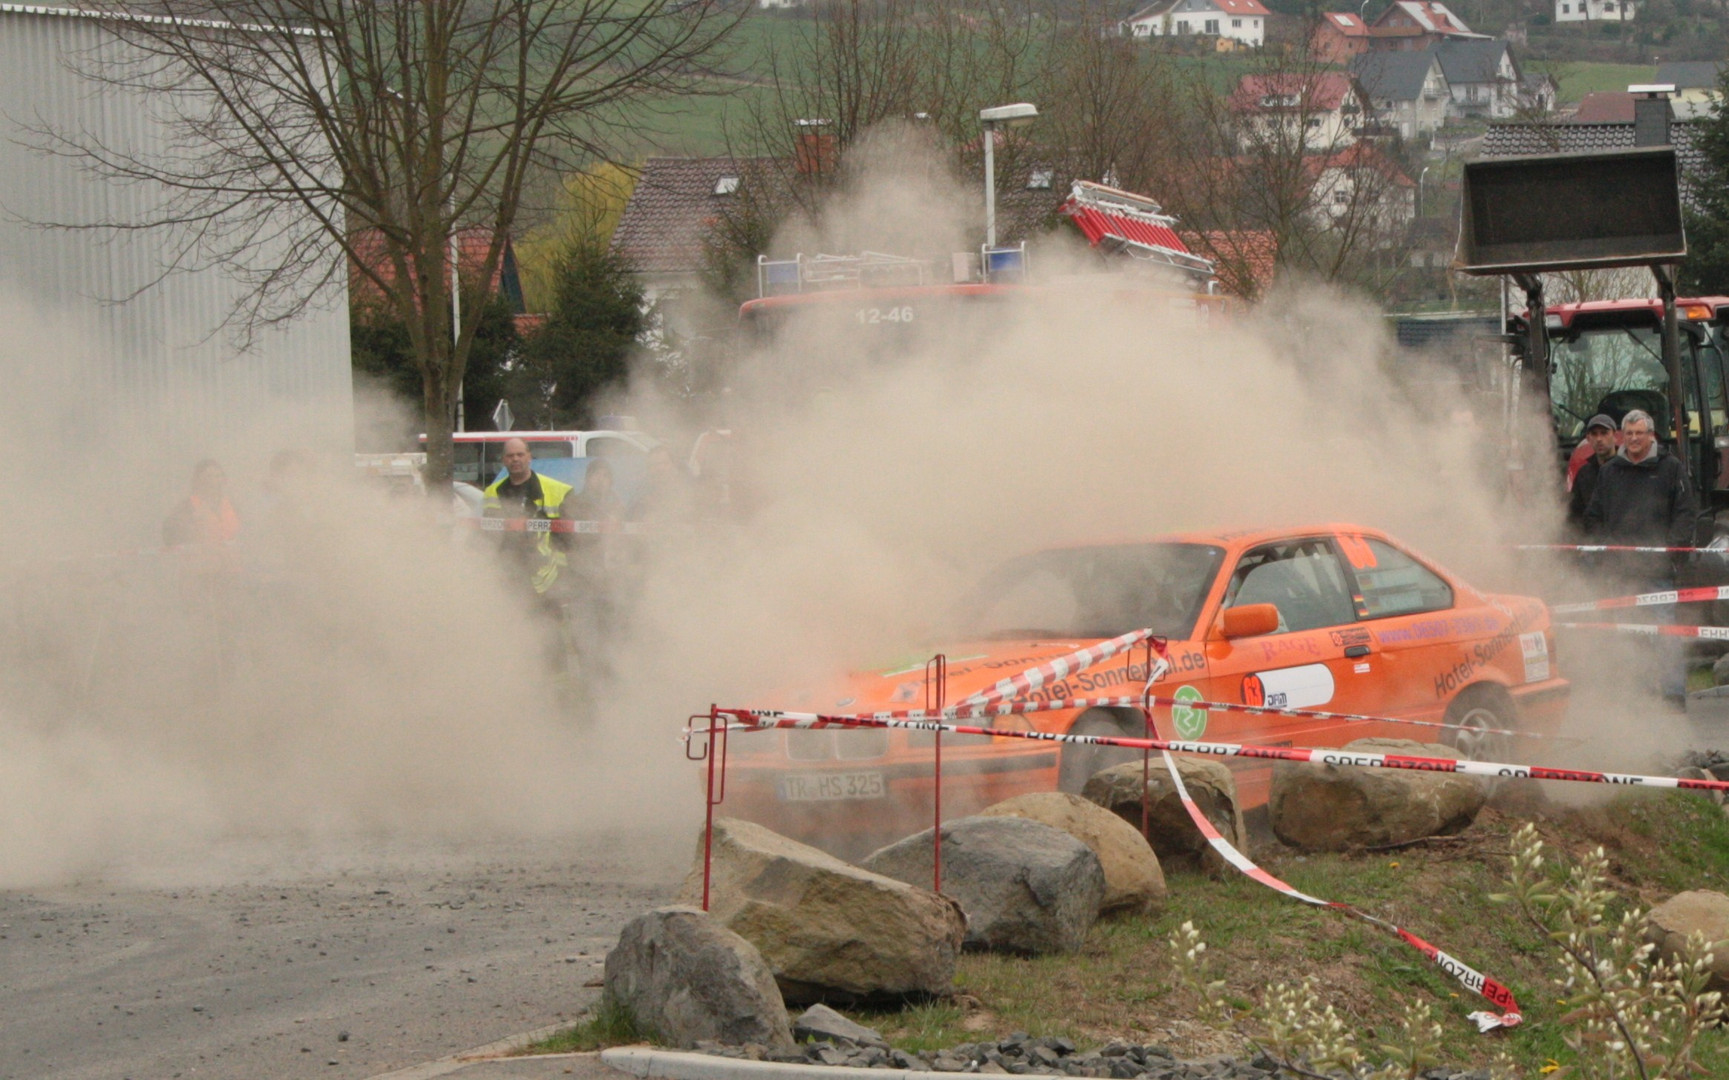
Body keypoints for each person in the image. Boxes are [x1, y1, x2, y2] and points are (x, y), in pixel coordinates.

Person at [1583, 409, 1699, 704]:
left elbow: (1686, 514)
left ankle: (1673, 695)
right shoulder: (1610, 472)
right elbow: (1593, 517)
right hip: (1622, 572)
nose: (1634, 439)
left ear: (1651, 435)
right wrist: (1608, 548)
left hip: (1658, 572)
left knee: (1667, 635)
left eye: (1640, 433)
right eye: (1629, 433)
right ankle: (1637, 695)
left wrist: (1672, 552)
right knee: (1627, 634)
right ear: (1623, 436)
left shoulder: (1671, 468)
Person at [482, 438, 573, 595]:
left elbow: (569, 537)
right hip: (508, 577)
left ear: (529, 456)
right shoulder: (492, 492)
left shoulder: (557, 490)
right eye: (510, 456)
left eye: (520, 454)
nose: (515, 459)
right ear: (503, 460)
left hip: (549, 578)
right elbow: (487, 536)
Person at [163, 459, 241, 548]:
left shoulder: (232, 505)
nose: (214, 481)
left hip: (232, 560)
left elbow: (247, 534)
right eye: (209, 476)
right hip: (199, 559)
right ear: (198, 480)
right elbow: (170, 535)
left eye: (218, 476)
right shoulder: (187, 506)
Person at [1567, 414, 1619, 532]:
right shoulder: (1584, 474)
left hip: (1622, 543)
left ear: (1614, 435)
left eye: (1604, 433)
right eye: (1594, 434)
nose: (1599, 439)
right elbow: (1575, 516)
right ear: (1588, 438)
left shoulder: (1628, 469)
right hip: (1591, 542)